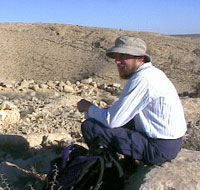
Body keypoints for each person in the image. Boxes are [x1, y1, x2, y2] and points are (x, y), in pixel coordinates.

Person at [77, 35, 187, 165]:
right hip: (170, 142)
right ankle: (124, 163)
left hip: (159, 148)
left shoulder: (143, 79)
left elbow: (113, 120)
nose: (117, 61)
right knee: (109, 117)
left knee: (91, 126)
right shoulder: (152, 73)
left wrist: (88, 107)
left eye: (123, 56)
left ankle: (109, 170)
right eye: (116, 57)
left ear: (140, 58)